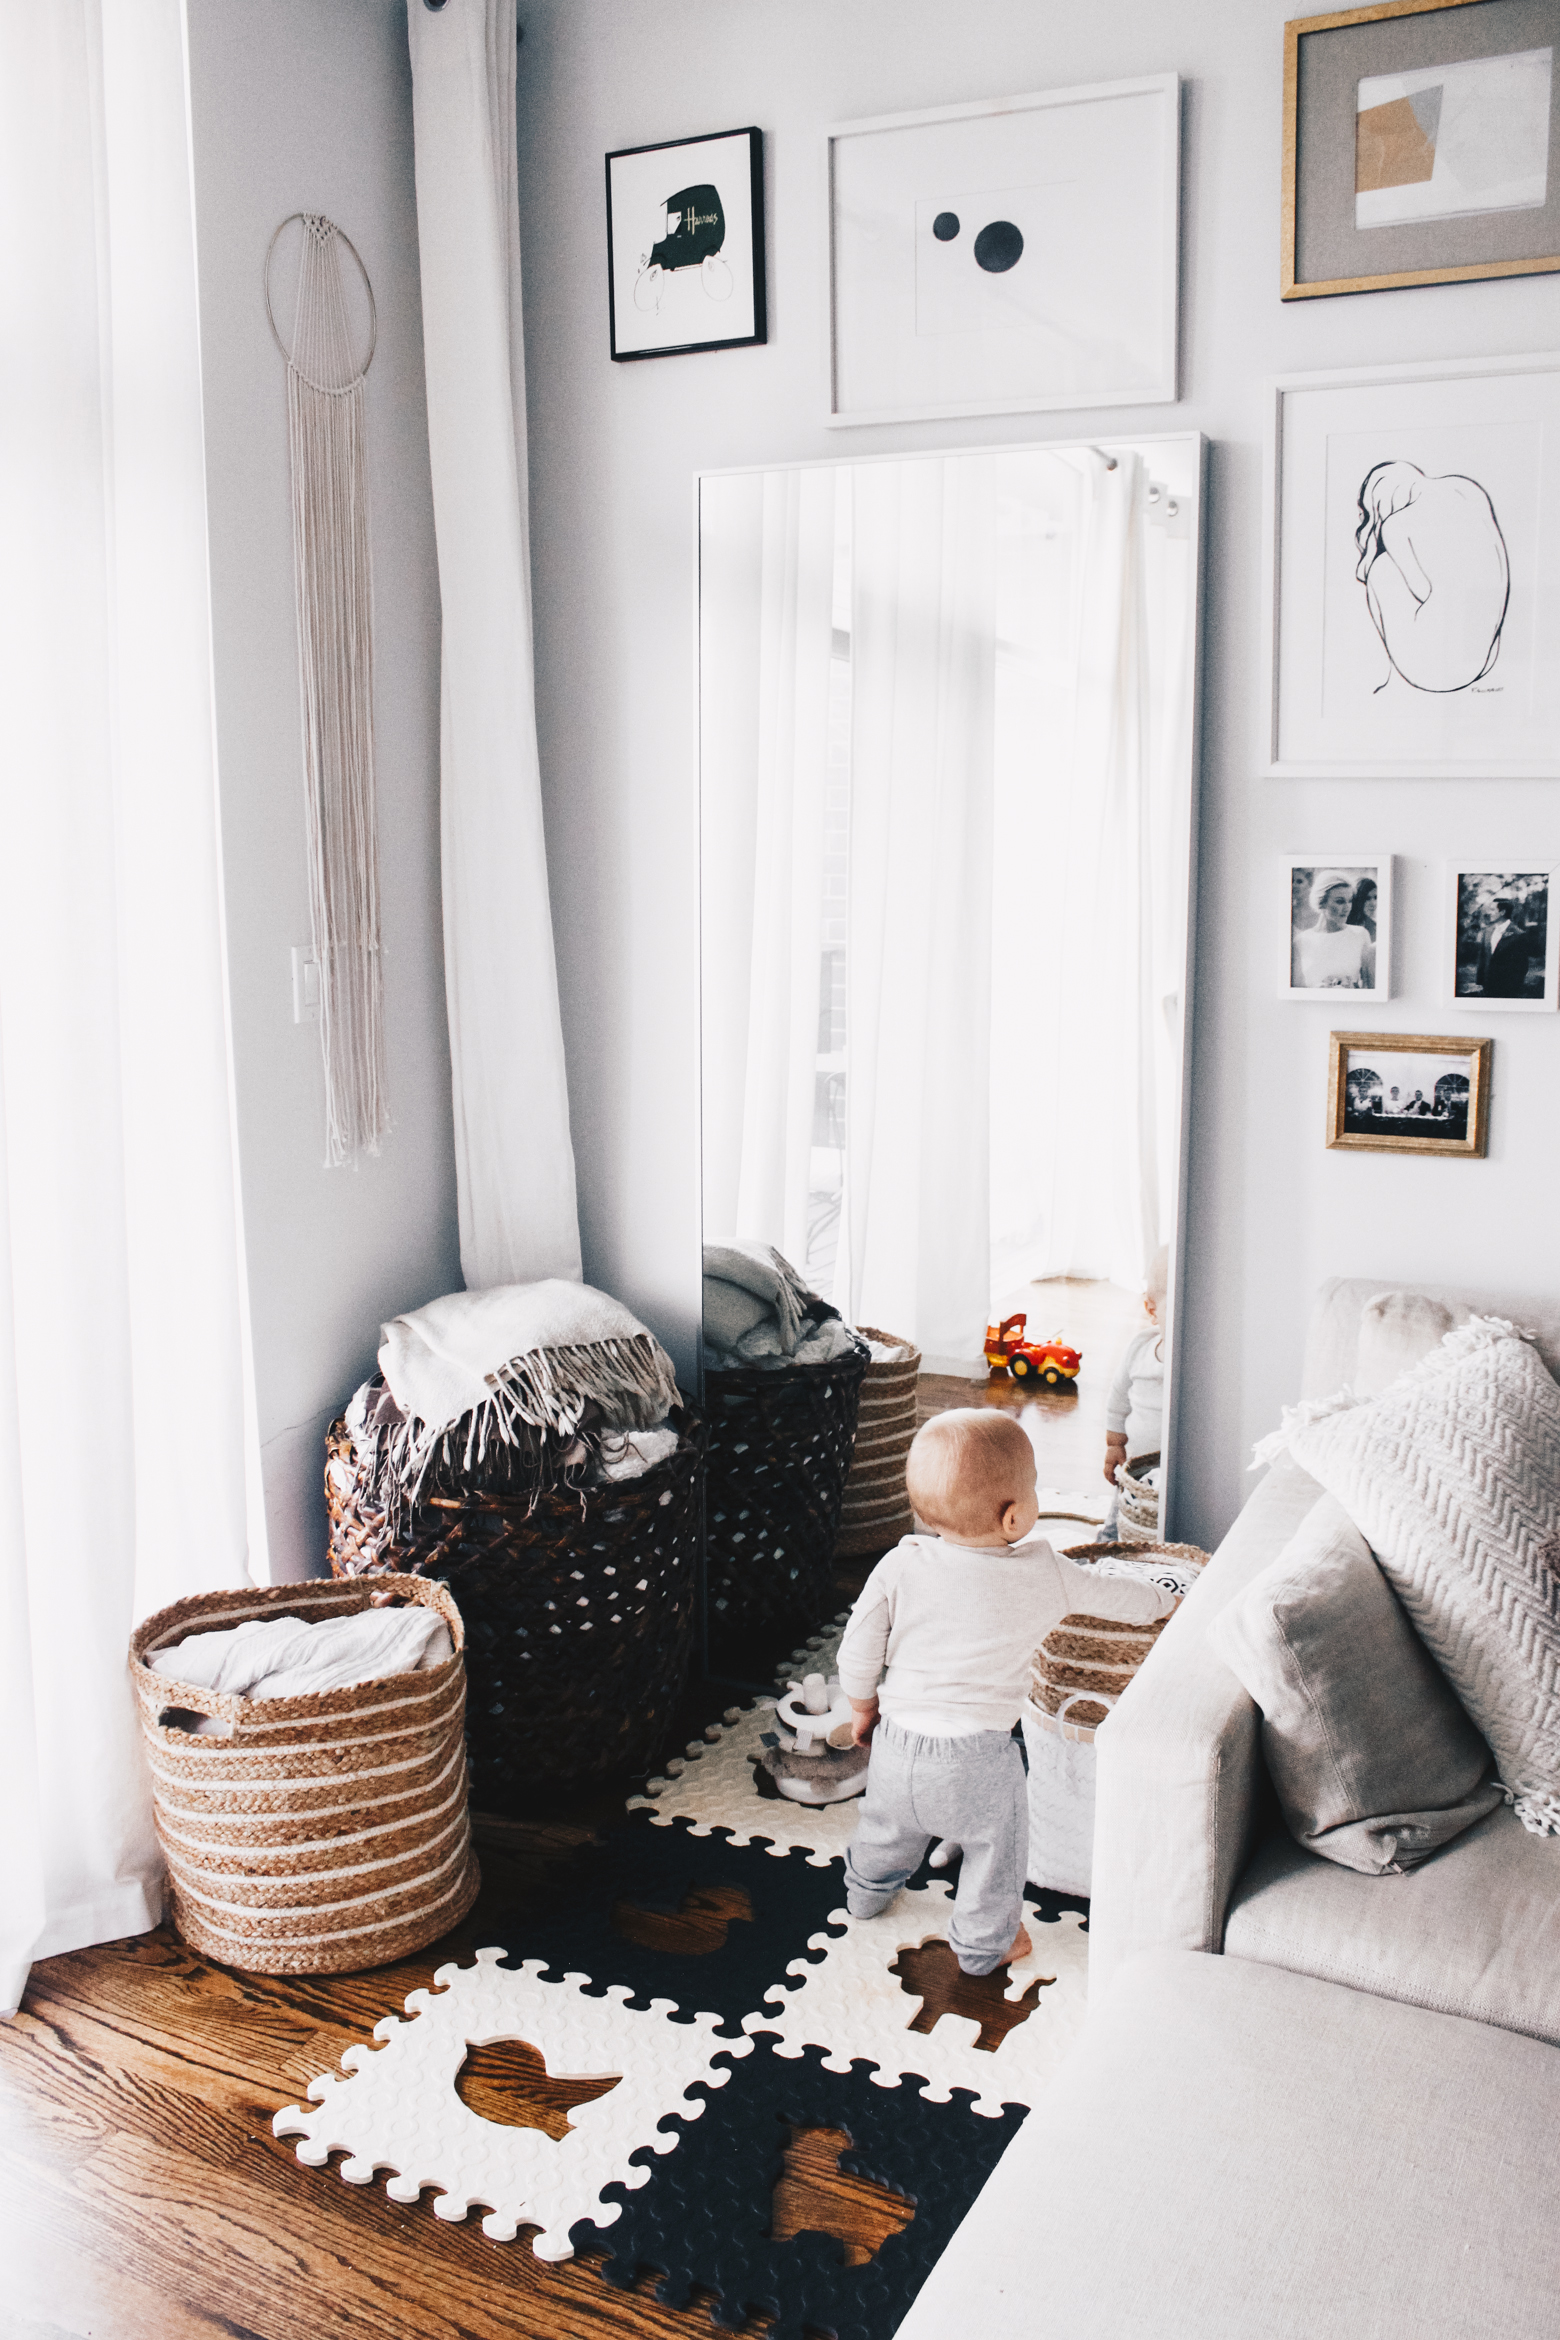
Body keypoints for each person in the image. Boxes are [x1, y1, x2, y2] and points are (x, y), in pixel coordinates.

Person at [836, 1410, 1174, 1976]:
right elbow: (1124, 1600)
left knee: (885, 1827)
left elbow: (858, 1648)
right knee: (997, 1851)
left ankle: (865, 1893)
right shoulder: (1047, 1572)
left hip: (896, 1746)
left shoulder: (901, 1563)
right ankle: (984, 1945)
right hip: (976, 1761)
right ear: (1015, 1516)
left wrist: (862, 1707)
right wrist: (1168, 1600)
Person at [1101, 1247, 1169, 1516]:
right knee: (1123, 1514)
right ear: (1151, 1309)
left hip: (1178, 1474)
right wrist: (1114, 1444)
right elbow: (1117, 1400)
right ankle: (1108, 1541)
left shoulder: (1202, 1364)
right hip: (1138, 1468)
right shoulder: (1140, 1349)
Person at [1293, 871, 1374, 990]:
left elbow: (1370, 987)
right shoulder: (1301, 941)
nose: (1347, 907)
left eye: (1350, 901)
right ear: (1322, 902)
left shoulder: (1360, 934)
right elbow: (1296, 990)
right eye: (1340, 901)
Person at [1481, 896, 1534, 999]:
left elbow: (1522, 966)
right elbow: (1483, 958)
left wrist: (1514, 988)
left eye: (1492, 909)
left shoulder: (1518, 935)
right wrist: (1481, 983)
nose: (1489, 913)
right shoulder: (1487, 932)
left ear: (1502, 912)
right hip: (1487, 987)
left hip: (1508, 989)